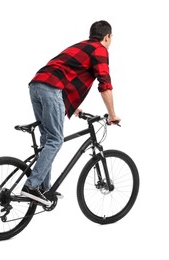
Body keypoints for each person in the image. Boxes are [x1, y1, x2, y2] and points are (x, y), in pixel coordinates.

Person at [21, 20, 121, 206]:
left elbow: (66, 73)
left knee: (47, 139)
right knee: (56, 140)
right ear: (107, 37)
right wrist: (112, 114)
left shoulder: (81, 46)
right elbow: (104, 84)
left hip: (36, 85)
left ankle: (43, 188)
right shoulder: (100, 50)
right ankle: (31, 186)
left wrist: (72, 107)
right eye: (111, 37)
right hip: (51, 89)